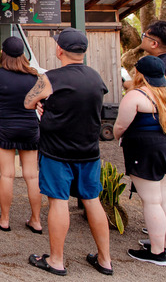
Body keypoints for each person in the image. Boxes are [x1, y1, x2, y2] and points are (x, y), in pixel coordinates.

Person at [24, 27, 113, 276]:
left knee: (58, 201)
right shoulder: (96, 78)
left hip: (56, 151)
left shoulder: (50, 78)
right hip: (89, 150)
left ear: (59, 49)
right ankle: (105, 260)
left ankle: (56, 260)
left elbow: (28, 102)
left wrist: (42, 103)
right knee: (92, 200)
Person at [115, 56, 166, 265]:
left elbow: (120, 126)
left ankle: (156, 252)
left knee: (152, 201)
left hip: (148, 150)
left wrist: (120, 138)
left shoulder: (136, 95)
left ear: (140, 73)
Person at [126, 21, 166, 253]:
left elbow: (156, 102)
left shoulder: (160, 68)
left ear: (154, 42)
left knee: (165, 195)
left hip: (161, 135)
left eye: (144, 35)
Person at [0, 37, 42, 234]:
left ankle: (5, 219)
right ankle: (36, 220)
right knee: (32, 176)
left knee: (7, 175)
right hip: (29, 128)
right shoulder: (34, 76)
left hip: (5, 127)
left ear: (3, 54)